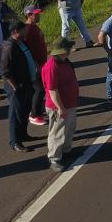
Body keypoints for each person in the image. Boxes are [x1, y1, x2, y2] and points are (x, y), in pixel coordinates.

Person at [0, 22, 39, 153]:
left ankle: (23, 134)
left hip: (28, 82)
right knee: (15, 113)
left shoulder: (22, 42)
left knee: (25, 110)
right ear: (16, 31)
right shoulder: (9, 47)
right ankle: (15, 141)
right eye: (24, 29)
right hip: (17, 86)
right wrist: (15, 87)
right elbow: (5, 72)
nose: (26, 31)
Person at [42, 37, 78, 172]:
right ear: (62, 51)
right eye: (68, 49)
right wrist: (60, 108)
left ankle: (66, 150)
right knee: (57, 132)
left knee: (70, 128)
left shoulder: (64, 61)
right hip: (59, 106)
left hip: (69, 103)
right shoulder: (51, 67)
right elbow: (53, 91)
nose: (70, 51)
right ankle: (54, 158)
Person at [22, 5, 48, 126]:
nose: (38, 16)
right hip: (36, 65)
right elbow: (28, 50)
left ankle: (38, 110)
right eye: (36, 14)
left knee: (41, 88)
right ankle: (34, 114)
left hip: (41, 62)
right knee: (39, 89)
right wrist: (36, 65)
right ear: (29, 15)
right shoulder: (28, 29)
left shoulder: (33, 27)